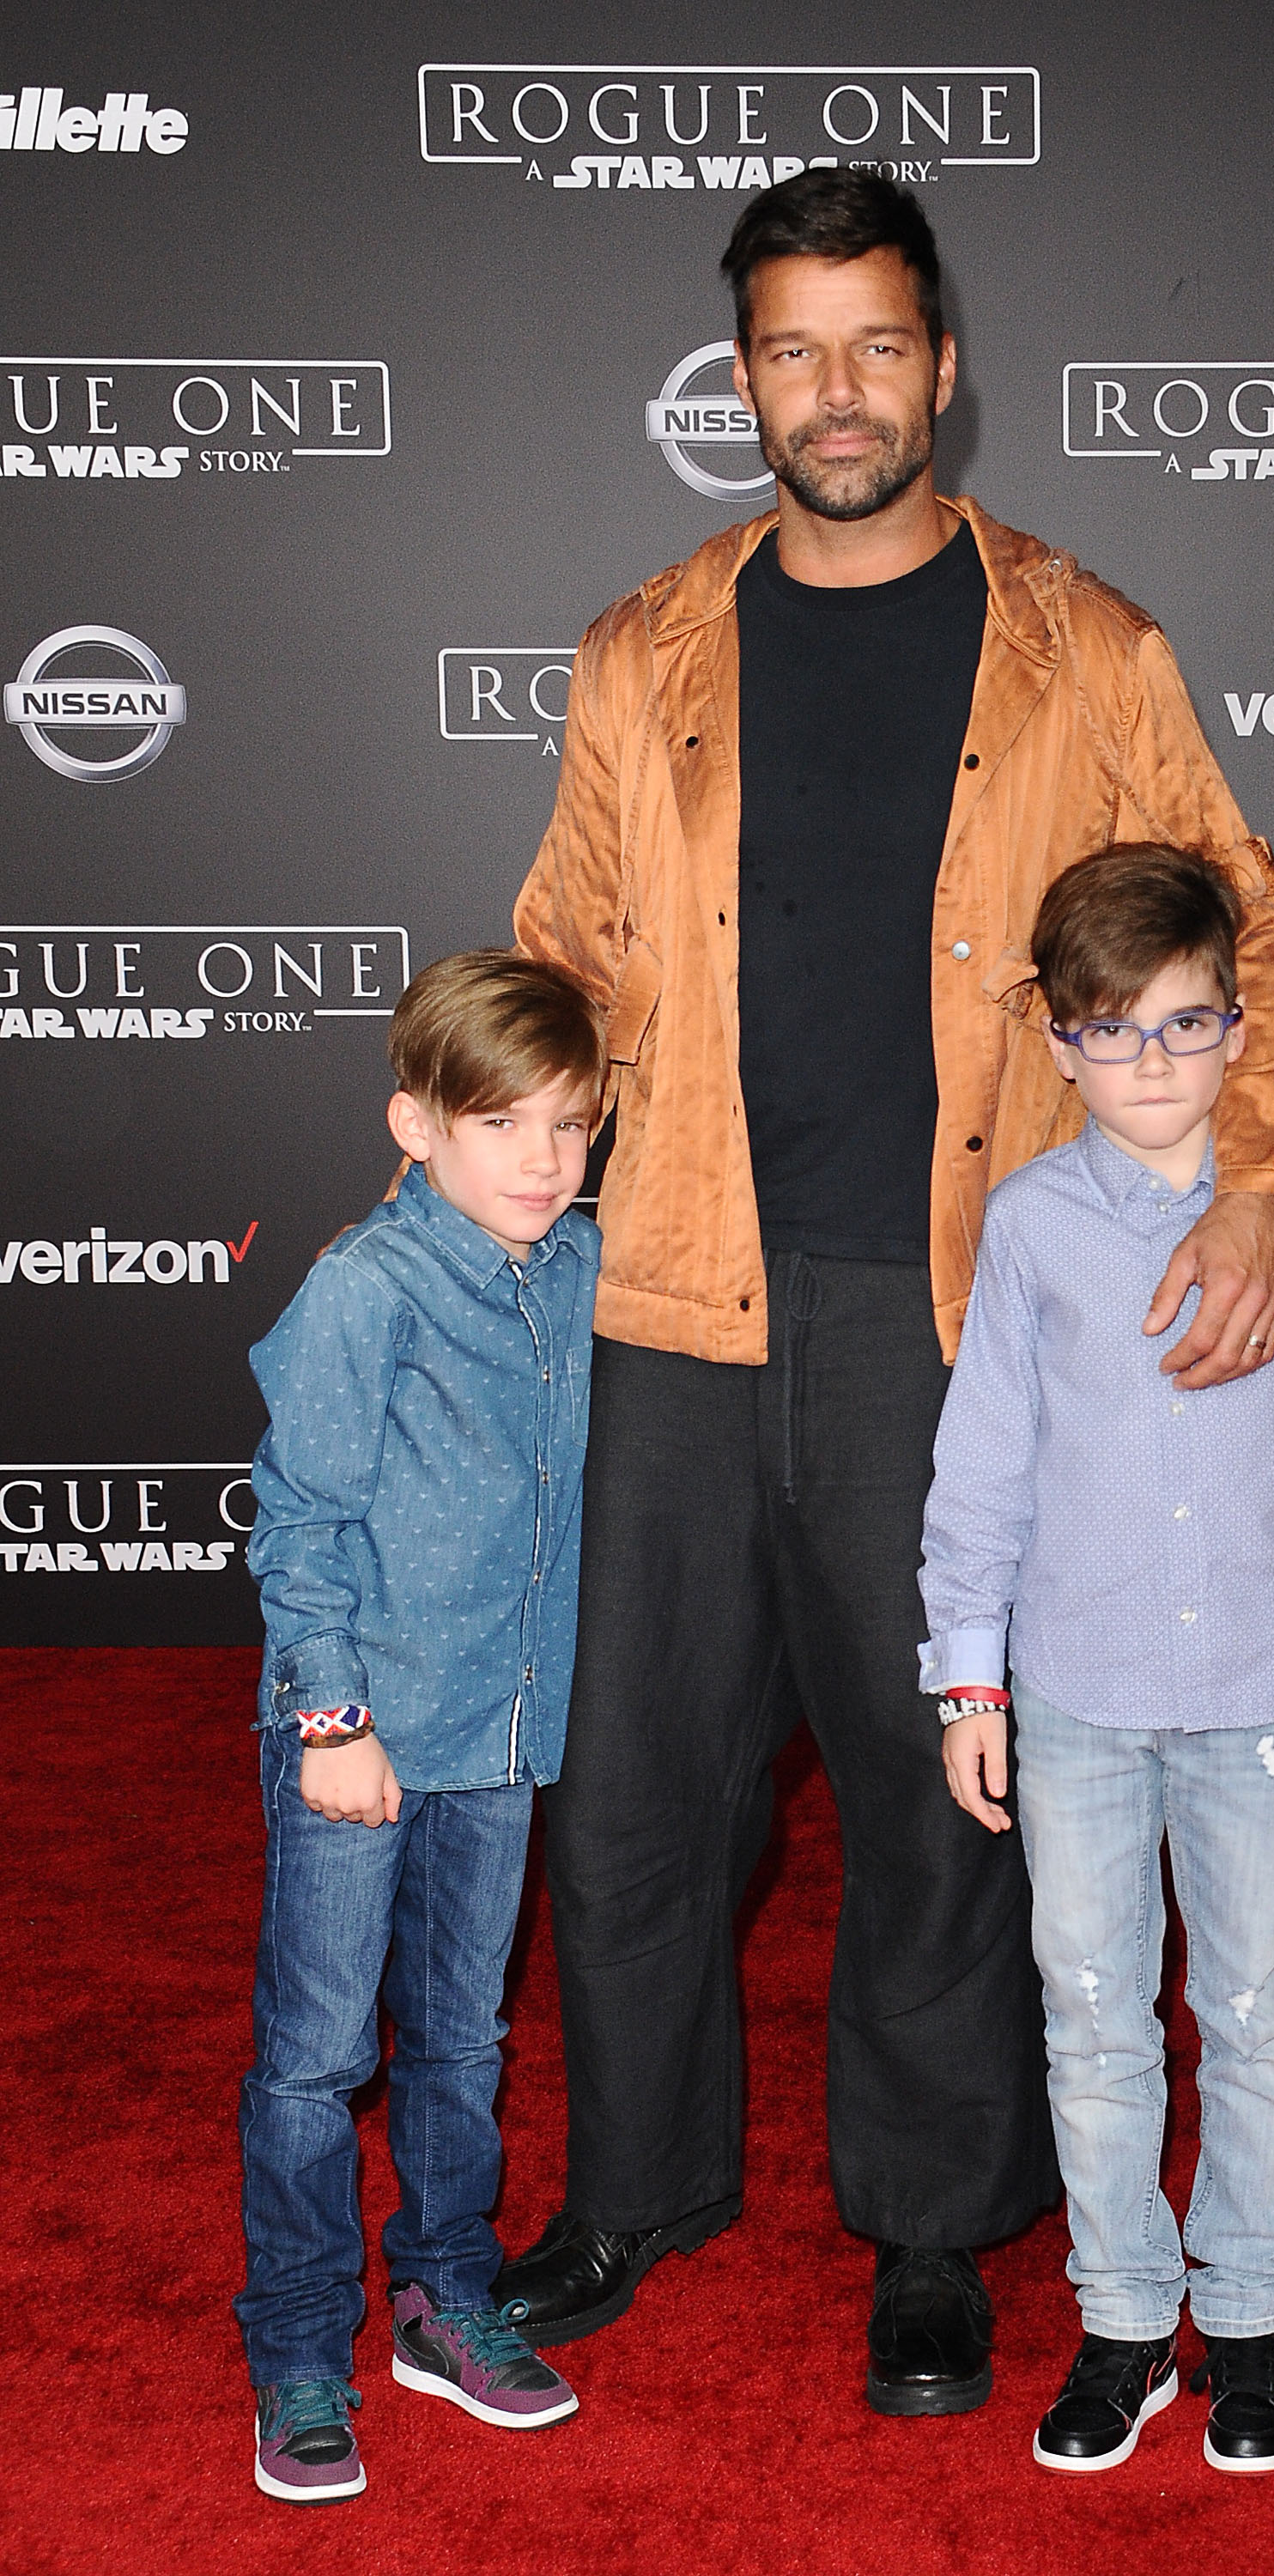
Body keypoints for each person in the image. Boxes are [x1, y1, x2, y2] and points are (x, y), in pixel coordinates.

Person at [498, 170, 1274, 2408]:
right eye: (794, 349)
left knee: (934, 1787)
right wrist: (468, 1201)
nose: (839, 391)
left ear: (941, 365)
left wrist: (1255, 1167)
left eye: (877, 344)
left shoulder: (1087, 643)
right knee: (633, 1787)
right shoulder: (640, 648)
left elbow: (1250, 929)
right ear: (741, 377)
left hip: (960, 1309)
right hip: (674, 1292)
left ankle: (933, 2228)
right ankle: (633, 2186)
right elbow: (562, 951)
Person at [923, 844, 1274, 2475]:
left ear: (1236, 1031)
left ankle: (1250, 2320)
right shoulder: (1029, 1226)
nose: (1151, 1062)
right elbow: (982, 1469)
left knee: (1257, 2012)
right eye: (1112, 1030)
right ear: (1060, 1042)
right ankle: (1123, 2319)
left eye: (1187, 1025)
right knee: (1092, 2014)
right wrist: (968, 1679)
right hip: (1075, 1693)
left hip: (1268, 1683)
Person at [237, 952, 605, 2504]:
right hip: (363, 1734)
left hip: (503, 1731)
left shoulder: (579, 1264)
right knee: (317, 2059)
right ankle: (297, 2347)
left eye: (571, 1124)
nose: (542, 1158)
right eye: (501, 1123)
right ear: (417, 1124)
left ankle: (444, 2298)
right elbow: (296, 1522)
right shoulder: (365, 1286)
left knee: (464, 2038)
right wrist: (332, 1723)